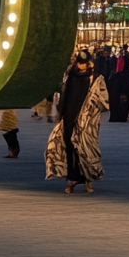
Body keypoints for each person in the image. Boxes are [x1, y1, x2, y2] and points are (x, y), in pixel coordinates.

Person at [47, 51, 109, 193]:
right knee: (69, 146)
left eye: (83, 63)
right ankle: (72, 178)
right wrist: (60, 113)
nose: (80, 66)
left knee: (84, 148)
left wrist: (91, 113)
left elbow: (102, 100)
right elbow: (65, 95)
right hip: (69, 116)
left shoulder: (95, 78)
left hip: (85, 120)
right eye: (79, 62)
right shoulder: (70, 74)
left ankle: (87, 178)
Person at [107, 52, 129, 122]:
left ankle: (117, 116)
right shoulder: (127, 69)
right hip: (120, 88)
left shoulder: (121, 69)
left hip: (118, 88)